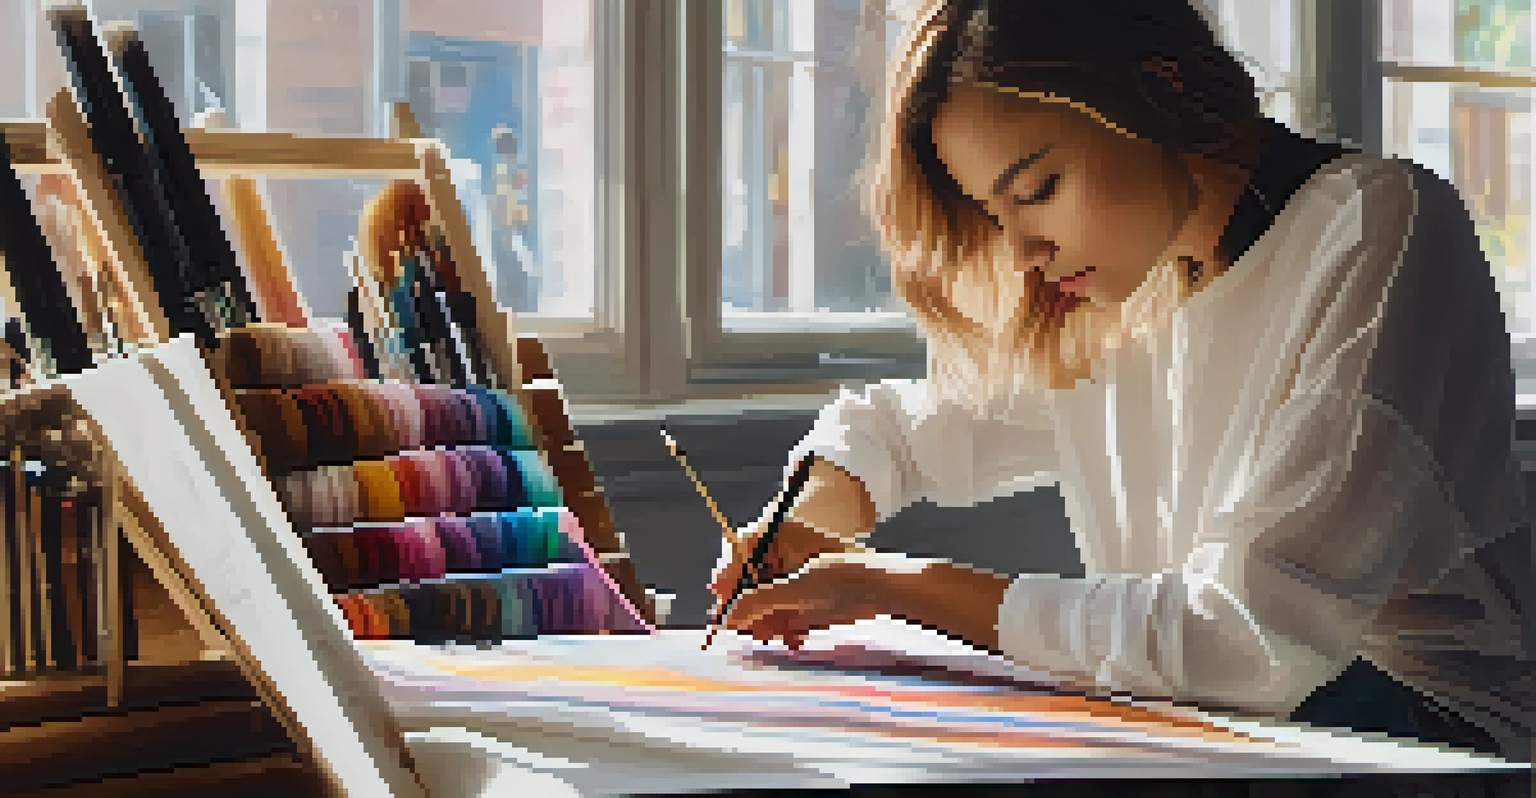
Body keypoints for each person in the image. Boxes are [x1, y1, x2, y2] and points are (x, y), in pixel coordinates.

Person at [709, 0, 1535, 764]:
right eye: (998, 217)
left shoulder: (1379, 230)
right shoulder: (1130, 282)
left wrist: (890, 584)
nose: (1024, 250)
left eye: (1037, 191)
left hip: (1428, 729)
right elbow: (897, 431)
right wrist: (812, 521)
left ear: (1156, 88)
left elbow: (1242, 641)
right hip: (1214, 715)